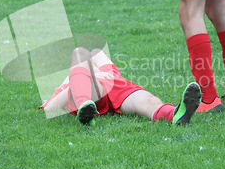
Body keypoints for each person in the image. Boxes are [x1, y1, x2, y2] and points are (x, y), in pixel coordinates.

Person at [39, 47, 201, 126]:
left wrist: (97, 72)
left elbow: (97, 54)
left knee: (147, 101)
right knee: (79, 52)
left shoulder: (102, 67)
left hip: (115, 84)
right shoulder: (70, 82)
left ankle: (175, 115)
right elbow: (50, 108)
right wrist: (89, 77)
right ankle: (85, 107)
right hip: (91, 91)